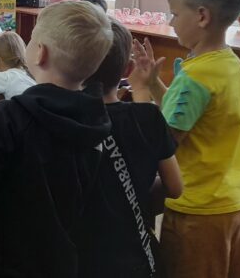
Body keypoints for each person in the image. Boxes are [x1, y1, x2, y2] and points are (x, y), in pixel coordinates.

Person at [0, 1, 114, 277]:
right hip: (61, 264)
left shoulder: (8, 117)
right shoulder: (99, 121)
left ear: (40, 52)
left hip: (1, 265)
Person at [129, 0, 240, 278]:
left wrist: (140, 91)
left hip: (199, 209)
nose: (171, 22)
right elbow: (186, 116)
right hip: (235, 199)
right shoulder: (227, 62)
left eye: (174, 14)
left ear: (201, 16)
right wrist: (155, 84)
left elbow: (163, 140)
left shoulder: (196, 76)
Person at [76, 20, 183, 278]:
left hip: (82, 253)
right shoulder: (148, 117)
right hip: (133, 252)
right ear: (127, 68)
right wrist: (142, 88)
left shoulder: (67, 119)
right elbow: (175, 187)